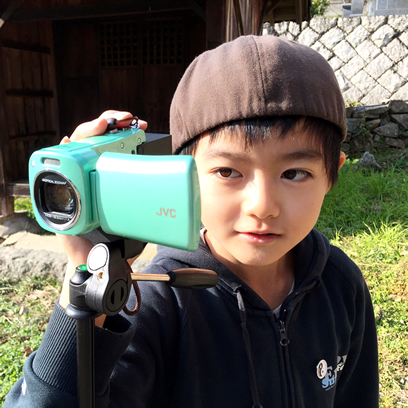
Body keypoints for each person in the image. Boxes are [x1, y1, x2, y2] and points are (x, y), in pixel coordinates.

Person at [4, 35, 379, 408]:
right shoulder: (156, 307)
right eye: (227, 171)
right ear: (181, 178)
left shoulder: (340, 284)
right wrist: (85, 278)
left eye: (294, 173)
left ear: (332, 174)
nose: (263, 206)